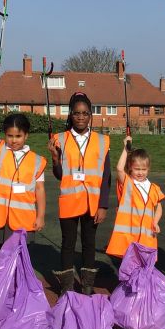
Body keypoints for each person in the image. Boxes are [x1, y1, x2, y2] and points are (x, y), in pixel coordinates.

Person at [48, 92, 111, 295]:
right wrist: (55, 159)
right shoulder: (59, 139)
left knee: (89, 243)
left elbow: (106, 175)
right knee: (67, 243)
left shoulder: (103, 141)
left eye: (85, 113)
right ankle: (66, 288)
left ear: (90, 114)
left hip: (92, 202)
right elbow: (59, 174)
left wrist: (103, 204)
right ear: (70, 115)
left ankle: (87, 286)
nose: (81, 117)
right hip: (69, 200)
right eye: (76, 113)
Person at [0, 80, 46, 247]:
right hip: (1, 219)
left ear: (26, 136)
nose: (13, 140)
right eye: (10, 136)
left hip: (24, 220)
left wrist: (40, 216)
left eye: (18, 136)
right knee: (1, 260)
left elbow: (40, 190)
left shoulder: (37, 161)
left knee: (20, 259)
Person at [105, 136, 164, 258]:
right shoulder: (128, 183)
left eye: (144, 169)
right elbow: (119, 169)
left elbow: (158, 207)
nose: (140, 172)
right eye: (137, 169)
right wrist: (126, 150)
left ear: (148, 169)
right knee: (130, 268)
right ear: (130, 168)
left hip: (147, 236)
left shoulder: (154, 188)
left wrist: (156, 221)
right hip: (130, 236)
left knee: (145, 268)